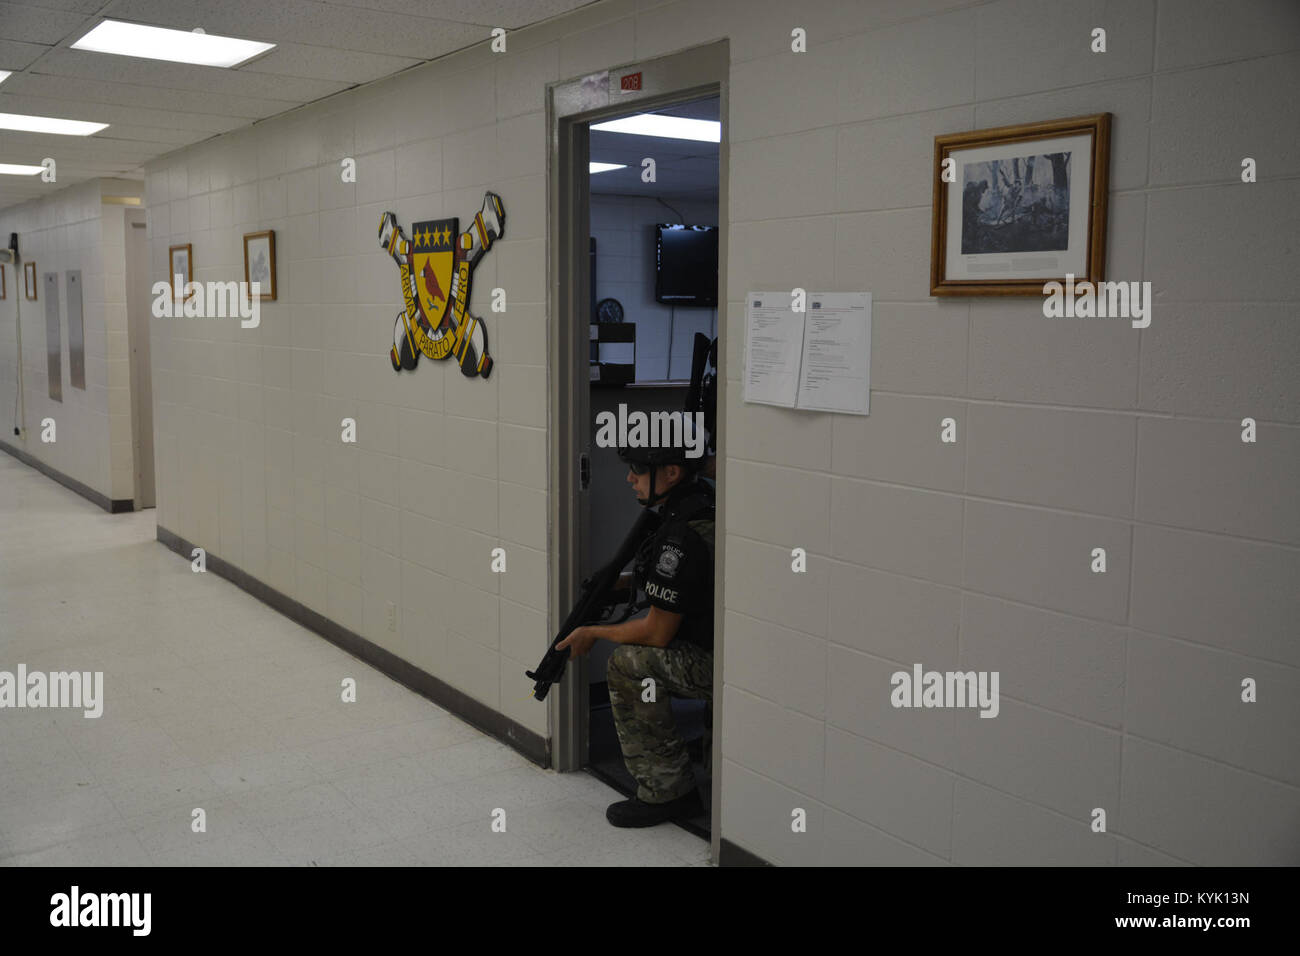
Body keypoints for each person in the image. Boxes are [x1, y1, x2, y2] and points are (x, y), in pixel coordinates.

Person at [556, 432, 716, 828]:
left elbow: (657, 632)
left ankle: (668, 792)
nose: (630, 478)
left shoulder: (680, 537)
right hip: (726, 646)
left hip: (718, 660)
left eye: (640, 470)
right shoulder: (699, 508)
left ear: (673, 473)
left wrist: (594, 633)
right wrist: (622, 582)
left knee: (629, 663)